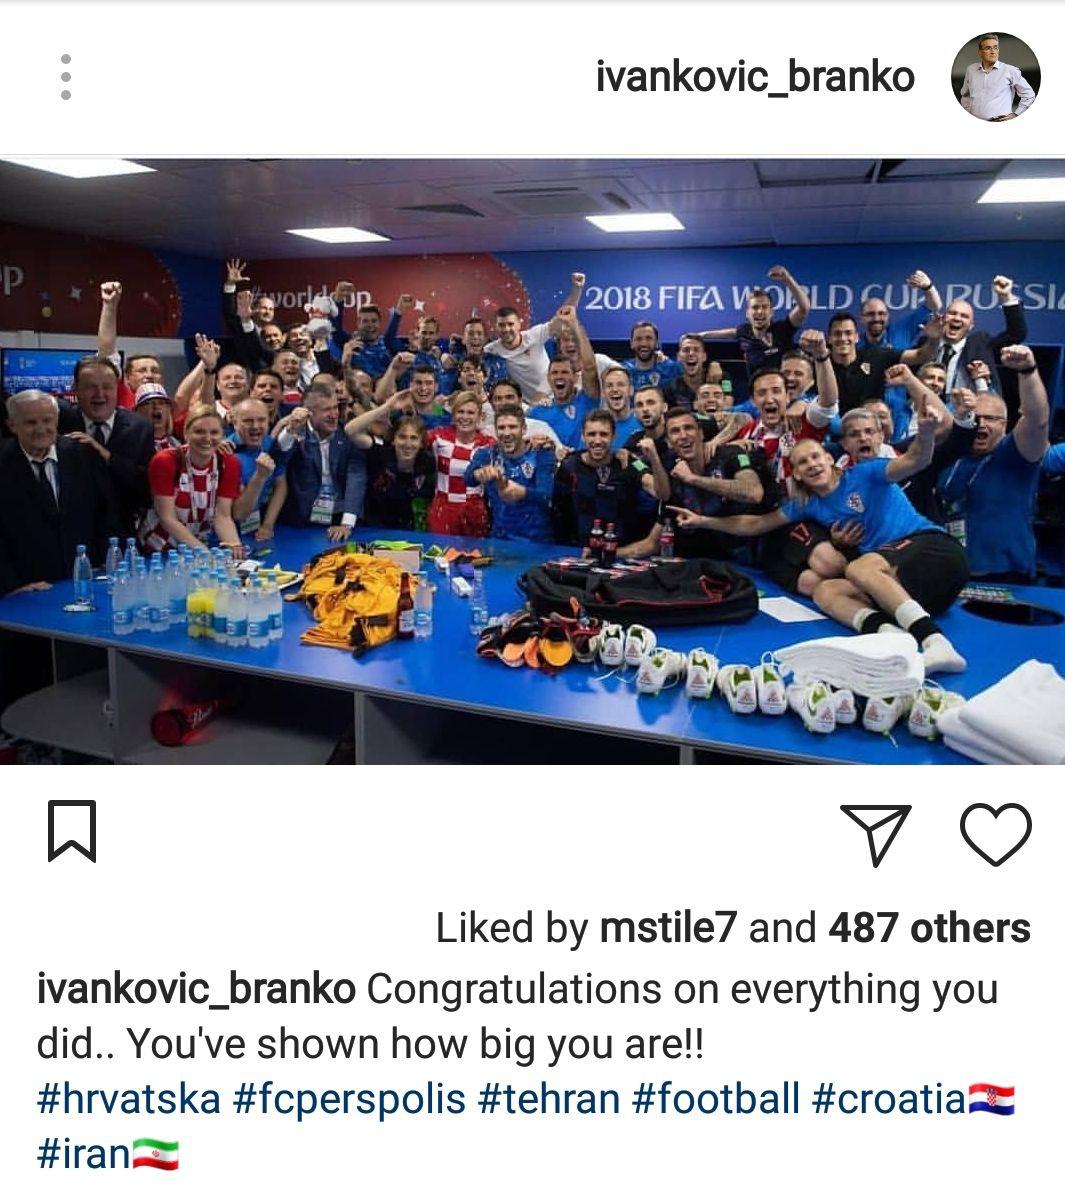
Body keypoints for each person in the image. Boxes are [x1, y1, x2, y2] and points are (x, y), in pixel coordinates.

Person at [672, 420, 970, 673]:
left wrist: (926, 433)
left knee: (858, 568)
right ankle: (892, 637)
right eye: (803, 462)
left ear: (829, 458)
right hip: (911, 588)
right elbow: (755, 524)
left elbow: (915, 460)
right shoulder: (809, 505)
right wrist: (703, 521)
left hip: (936, 552)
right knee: (825, 591)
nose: (812, 464)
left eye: (816, 456)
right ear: (797, 474)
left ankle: (935, 642)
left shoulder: (866, 473)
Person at [935, 344, 1050, 580]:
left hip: (1007, 577)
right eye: (975, 417)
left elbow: (1037, 419)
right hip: (952, 573)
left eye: (990, 418)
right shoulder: (951, 456)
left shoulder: (1016, 454)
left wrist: (1027, 371)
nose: (981, 424)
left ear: (1004, 425)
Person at [0, 390, 119, 595]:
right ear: (12, 425)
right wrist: (11, 586)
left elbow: (106, 513)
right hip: (26, 589)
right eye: (30, 422)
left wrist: (105, 564)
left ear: (56, 421)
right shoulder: (3, 462)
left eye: (47, 421)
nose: (41, 429)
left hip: (84, 579)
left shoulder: (82, 453)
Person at [626, 406, 776, 560]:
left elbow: (753, 493)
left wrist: (694, 479)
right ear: (669, 442)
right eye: (675, 431)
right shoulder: (672, 474)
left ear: (701, 433)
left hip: (744, 560)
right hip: (697, 562)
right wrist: (613, 551)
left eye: (688, 428)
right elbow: (652, 543)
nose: (683, 435)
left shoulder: (729, 454)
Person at [57, 356, 154, 536]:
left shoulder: (140, 427)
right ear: (75, 389)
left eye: (107, 387)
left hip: (121, 533)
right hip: (70, 533)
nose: (99, 394)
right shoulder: (60, 423)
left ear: (117, 389)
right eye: (90, 387)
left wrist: (108, 457)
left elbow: (146, 489)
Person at [138, 405, 245, 557]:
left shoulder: (229, 464)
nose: (207, 438)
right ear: (186, 434)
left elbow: (223, 516)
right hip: (158, 549)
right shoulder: (165, 461)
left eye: (214, 432)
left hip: (196, 548)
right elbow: (167, 519)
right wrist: (205, 553)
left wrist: (235, 547)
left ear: (223, 435)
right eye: (199, 431)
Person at [270, 381, 368, 542]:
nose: (334, 414)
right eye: (326, 410)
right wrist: (290, 429)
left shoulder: (347, 434)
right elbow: (279, 455)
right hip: (299, 522)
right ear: (308, 412)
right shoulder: (296, 433)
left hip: (340, 516)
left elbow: (356, 476)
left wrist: (347, 524)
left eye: (335, 407)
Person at [551, 411, 646, 551]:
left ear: (614, 436)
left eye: (604, 434)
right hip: (578, 552)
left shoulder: (628, 462)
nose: (597, 440)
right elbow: (558, 513)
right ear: (583, 436)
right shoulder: (569, 466)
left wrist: (650, 457)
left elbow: (656, 488)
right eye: (591, 434)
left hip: (620, 553)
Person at [693, 265, 811, 376]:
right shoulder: (744, 331)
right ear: (747, 313)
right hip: (756, 388)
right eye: (755, 307)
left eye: (764, 307)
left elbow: (804, 308)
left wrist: (787, 279)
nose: (759, 311)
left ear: (771, 312)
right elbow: (730, 333)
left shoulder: (783, 330)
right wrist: (700, 335)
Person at [918, 275, 1027, 395]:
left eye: (964, 316)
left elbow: (1016, 334)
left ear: (971, 326)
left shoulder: (981, 344)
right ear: (943, 318)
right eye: (952, 313)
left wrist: (1006, 297)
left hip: (970, 405)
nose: (957, 318)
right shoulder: (925, 344)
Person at [484, 272, 585, 397]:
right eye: (501, 325)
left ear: (519, 325)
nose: (506, 329)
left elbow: (563, 317)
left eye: (510, 324)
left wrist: (577, 289)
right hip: (526, 404)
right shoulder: (492, 349)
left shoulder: (535, 335)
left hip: (554, 396)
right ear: (495, 327)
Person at [466, 406, 556, 542]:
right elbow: (468, 478)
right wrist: (479, 474)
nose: (506, 433)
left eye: (512, 427)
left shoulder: (541, 453)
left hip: (536, 541)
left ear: (524, 429)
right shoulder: (488, 454)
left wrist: (523, 493)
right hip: (500, 539)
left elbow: (546, 496)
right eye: (501, 428)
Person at [344, 405, 436, 531]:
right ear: (393, 440)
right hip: (373, 528)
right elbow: (350, 430)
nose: (408, 444)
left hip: (410, 531)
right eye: (402, 437)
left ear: (421, 443)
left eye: (414, 438)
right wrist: (387, 406)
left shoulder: (429, 463)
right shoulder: (380, 454)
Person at [826, 310, 937, 414]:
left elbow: (922, 356)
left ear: (856, 337)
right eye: (837, 334)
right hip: (831, 425)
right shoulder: (822, 365)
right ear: (829, 338)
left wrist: (934, 338)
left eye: (848, 333)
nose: (843, 338)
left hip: (871, 424)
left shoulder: (876, 356)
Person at [424, 391, 495, 537]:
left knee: (475, 552)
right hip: (443, 510)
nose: (465, 417)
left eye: (470, 413)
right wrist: (436, 407)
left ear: (480, 416)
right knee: (440, 551)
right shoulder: (438, 436)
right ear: (453, 415)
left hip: (475, 512)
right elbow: (412, 435)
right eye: (460, 412)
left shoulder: (489, 444)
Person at [226, 398, 288, 540]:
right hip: (228, 534)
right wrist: (260, 477)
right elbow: (238, 514)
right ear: (235, 423)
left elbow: (281, 485)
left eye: (261, 420)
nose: (255, 426)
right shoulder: (226, 453)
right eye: (248, 421)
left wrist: (267, 525)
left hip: (256, 530)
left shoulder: (271, 444)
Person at [959, 34, 1036, 121]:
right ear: (980, 52)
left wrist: (1016, 114)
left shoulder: (1010, 70)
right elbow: (965, 96)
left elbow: (1029, 95)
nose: (993, 51)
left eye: (995, 47)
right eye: (988, 48)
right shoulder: (971, 70)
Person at [621, 321, 682, 391]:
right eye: (638, 339)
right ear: (631, 343)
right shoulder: (623, 371)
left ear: (657, 343)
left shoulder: (672, 370)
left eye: (649, 338)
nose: (643, 344)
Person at [600, 366, 642, 450]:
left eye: (621, 384)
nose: (615, 389)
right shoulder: (595, 427)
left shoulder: (643, 422)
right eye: (609, 386)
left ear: (631, 390)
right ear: (603, 393)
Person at [133, 382, 181, 453]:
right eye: (149, 403)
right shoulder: (133, 446)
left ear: (169, 410)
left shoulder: (178, 446)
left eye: (161, 403)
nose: (156, 406)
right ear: (138, 411)